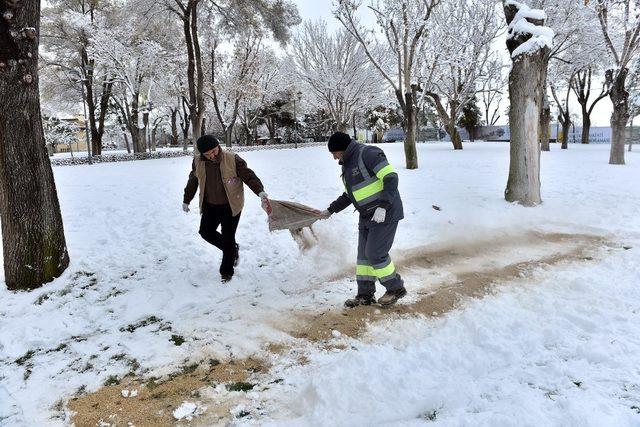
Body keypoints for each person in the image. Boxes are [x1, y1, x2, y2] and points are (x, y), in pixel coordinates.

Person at [321, 131, 406, 307]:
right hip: (367, 215)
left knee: (375, 253)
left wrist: (383, 206)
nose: (334, 158)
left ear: (342, 149)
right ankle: (365, 294)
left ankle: (395, 288)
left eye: (334, 153)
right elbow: (350, 195)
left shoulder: (368, 153)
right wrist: (330, 210)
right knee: (363, 257)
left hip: (386, 212)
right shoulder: (346, 165)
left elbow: (391, 177)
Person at [183, 135, 272, 282]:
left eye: (214, 151)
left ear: (218, 146)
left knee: (228, 237)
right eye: (207, 154)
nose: (212, 155)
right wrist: (187, 199)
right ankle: (232, 249)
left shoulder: (232, 159)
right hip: (210, 205)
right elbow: (193, 181)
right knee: (205, 232)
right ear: (202, 154)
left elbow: (248, 176)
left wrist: (260, 191)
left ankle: (226, 271)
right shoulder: (198, 162)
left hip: (231, 205)